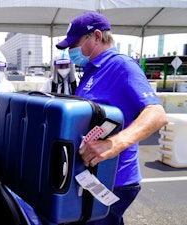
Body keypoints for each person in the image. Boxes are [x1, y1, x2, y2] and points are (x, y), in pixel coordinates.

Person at [56, 12, 168, 225]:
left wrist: (113, 144)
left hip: (115, 178)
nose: (71, 52)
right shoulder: (91, 70)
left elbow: (157, 114)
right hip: (93, 175)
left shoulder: (121, 66)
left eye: (75, 44)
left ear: (97, 36)